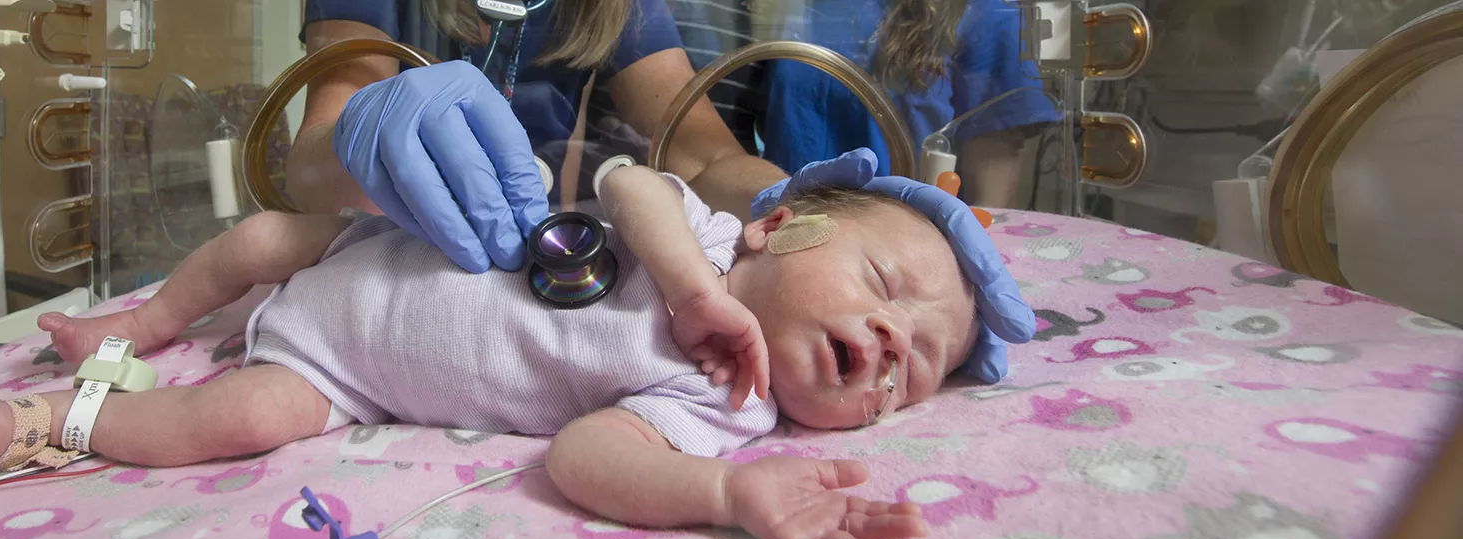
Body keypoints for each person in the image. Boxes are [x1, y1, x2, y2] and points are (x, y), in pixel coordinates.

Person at [0, 155, 974, 539]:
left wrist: (728, 493)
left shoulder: (725, 408)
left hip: (337, 368)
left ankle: (47, 419)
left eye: (916, 369)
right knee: (262, 239)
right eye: (883, 280)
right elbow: (624, 180)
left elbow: (583, 456)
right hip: (369, 248)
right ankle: (138, 322)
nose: (892, 342)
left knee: (234, 418)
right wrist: (688, 286)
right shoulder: (701, 235)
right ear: (777, 228)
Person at [290, 0, 1034, 384]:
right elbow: (309, 164)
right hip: (386, 273)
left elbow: (700, 153)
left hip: (543, 288)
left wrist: (825, 210)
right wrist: (364, 126)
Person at [750, 0, 1059, 209]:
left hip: (901, 246)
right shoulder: (798, 10)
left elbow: (993, 173)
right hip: (786, 228)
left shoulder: (984, 16)